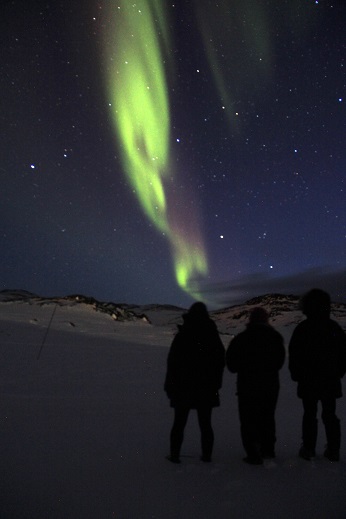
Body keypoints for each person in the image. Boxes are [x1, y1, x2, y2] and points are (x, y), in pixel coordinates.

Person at [289, 289, 346, 462]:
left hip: (309, 381)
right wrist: (338, 372)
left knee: (310, 414)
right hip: (330, 380)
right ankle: (333, 450)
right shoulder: (333, 328)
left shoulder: (303, 329)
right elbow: (343, 354)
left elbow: (295, 355)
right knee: (330, 415)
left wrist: (297, 375)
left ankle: (308, 448)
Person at [164, 302, 225, 463]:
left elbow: (173, 362)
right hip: (206, 387)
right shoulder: (212, 334)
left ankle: (175, 455)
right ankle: (206, 456)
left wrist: (170, 384)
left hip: (183, 386)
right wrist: (216, 383)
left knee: (179, 423)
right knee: (205, 423)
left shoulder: (183, 334)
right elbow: (220, 361)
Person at [226, 307, 285, 465]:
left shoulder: (241, 338)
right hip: (270, 386)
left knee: (248, 420)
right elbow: (279, 362)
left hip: (247, 386)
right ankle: (268, 450)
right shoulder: (275, 337)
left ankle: (253, 453)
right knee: (267, 417)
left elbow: (231, 365)